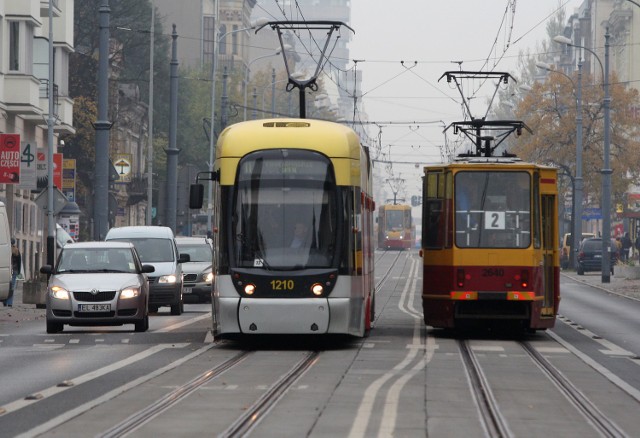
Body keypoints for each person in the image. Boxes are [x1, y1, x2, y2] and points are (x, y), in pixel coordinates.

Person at [2, 238, 21, 307]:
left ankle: (4, 302)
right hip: (14, 271)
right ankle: (9, 303)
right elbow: (19, 262)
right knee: (12, 287)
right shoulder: (16, 250)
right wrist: (18, 271)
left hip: (6, 271)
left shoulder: (5, 250)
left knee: (5, 286)